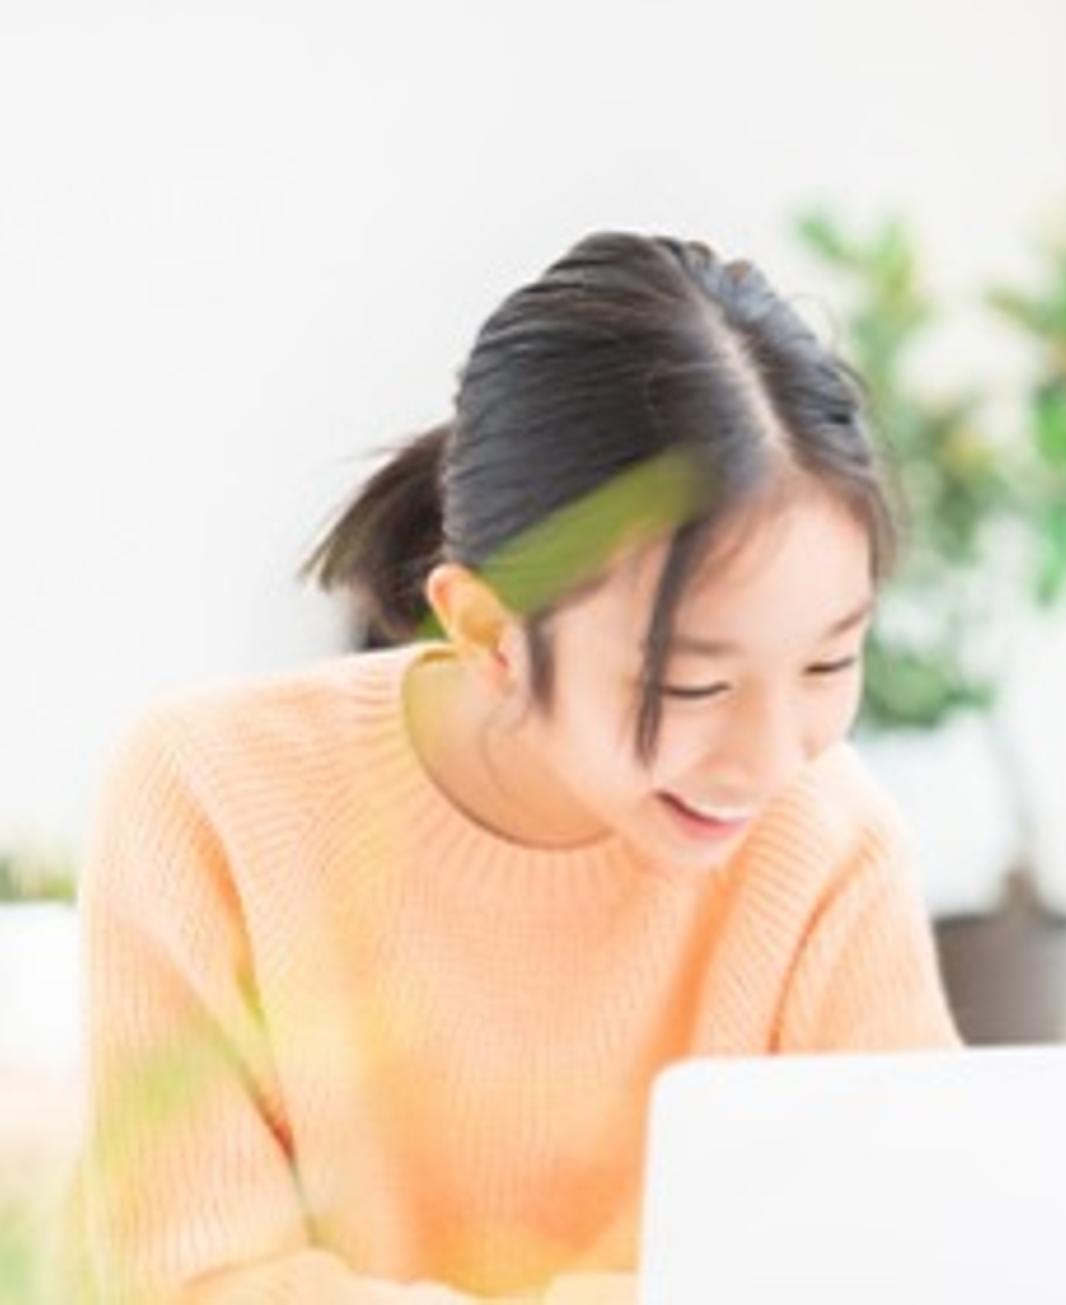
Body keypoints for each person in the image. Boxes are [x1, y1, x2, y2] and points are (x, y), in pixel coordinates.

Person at [78, 232, 959, 1302]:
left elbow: (897, 1256)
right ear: (490, 631)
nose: (770, 760)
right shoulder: (210, 794)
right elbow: (193, 1278)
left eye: (829, 662)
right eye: (691, 685)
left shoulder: (830, 845)